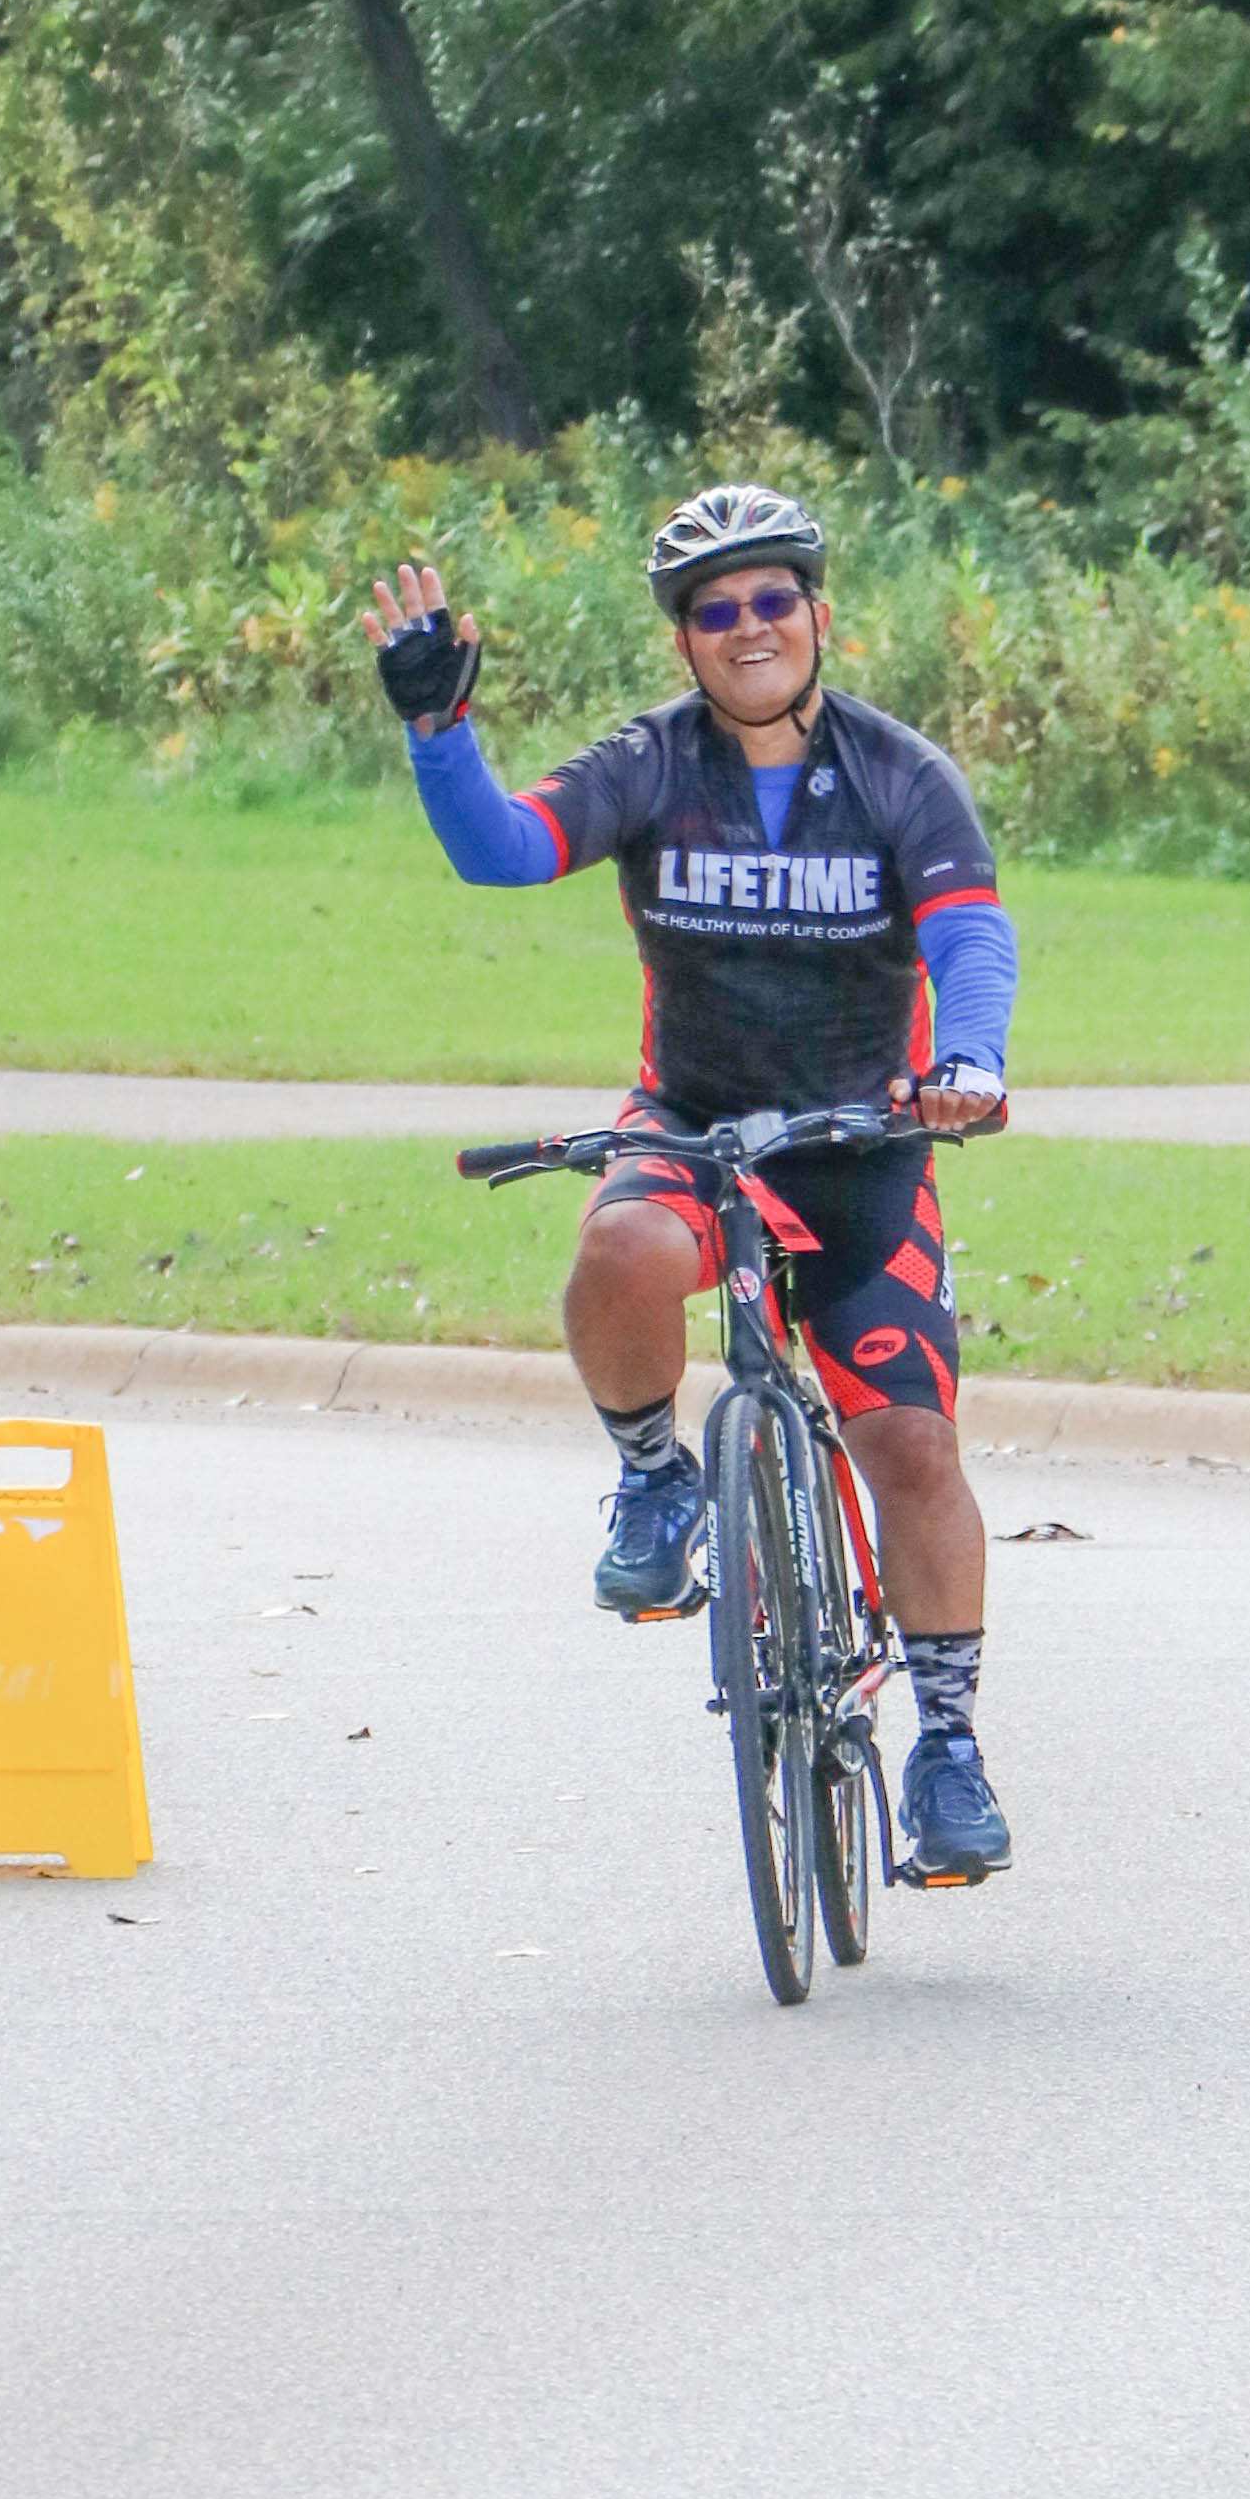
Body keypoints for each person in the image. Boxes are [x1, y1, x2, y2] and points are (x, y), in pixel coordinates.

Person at [361, 480, 1025, 1884]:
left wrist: (967, 1058)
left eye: (773, 599)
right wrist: (438, 732)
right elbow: (503, 853)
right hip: (698, 1123)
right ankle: (658, 1483)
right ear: (685, 644)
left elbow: (971, 938)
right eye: (715, 612)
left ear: (819, 616)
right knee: (616, 1253)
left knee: (909, 1446)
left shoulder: (902, 774)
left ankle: (950, 1747)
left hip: (863, 1148)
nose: (748, 628)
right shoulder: (652, 765)